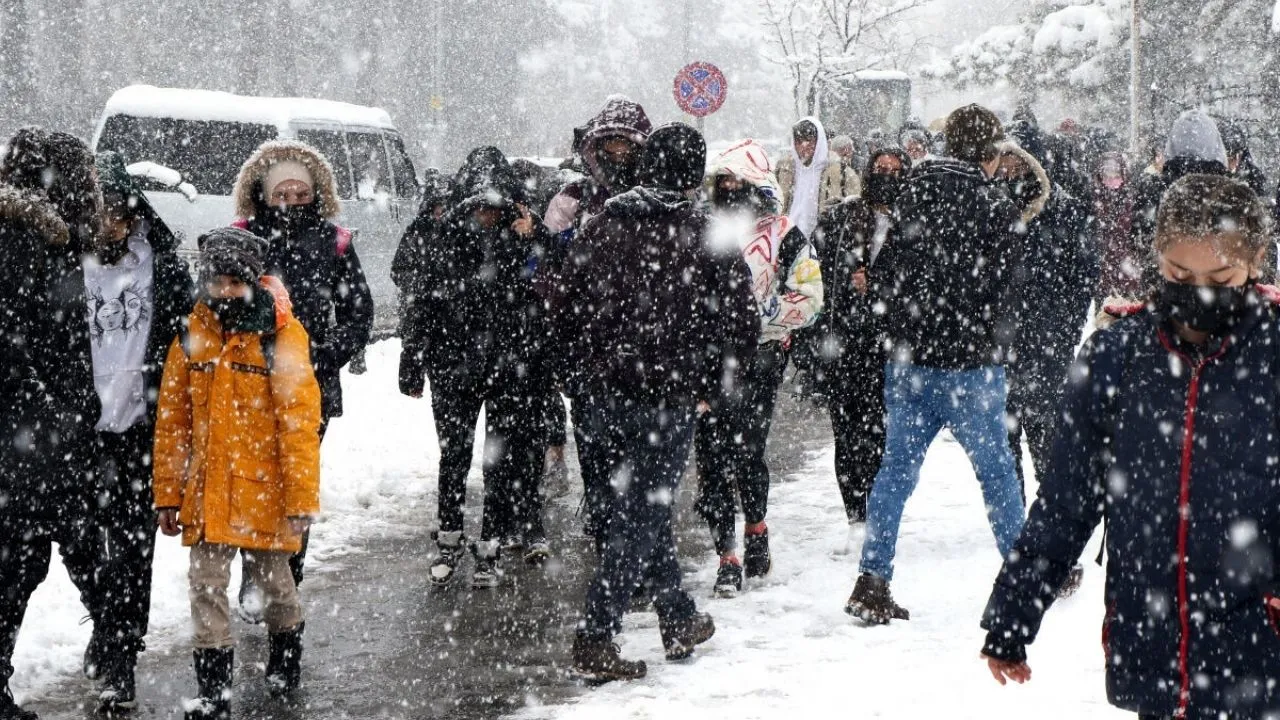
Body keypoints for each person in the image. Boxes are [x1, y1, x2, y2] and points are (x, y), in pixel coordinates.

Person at [980, 173, 1280, 720]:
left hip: (1258, 644)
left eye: (1221, 276)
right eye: (1179, 273)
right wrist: (1012, 614)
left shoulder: (1273, 357)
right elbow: (1067, 500)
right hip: (1153, 635)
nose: (1199, 290)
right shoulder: (1117, 357)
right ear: (1157, 256)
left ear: (1257, 262)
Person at [554, 123, 759, 682]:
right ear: (693, 174)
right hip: (665, 397)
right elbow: (742, 322)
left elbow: (560, 307)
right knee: (642, 515)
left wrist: (580, 375)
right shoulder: (704, 230)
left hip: (603, 396)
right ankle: (596, 635)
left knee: (644, 507)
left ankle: (677, 616)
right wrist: (714, 388)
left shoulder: (601, 226)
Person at [845, 104, 1025, 624]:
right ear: (989, 155)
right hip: (971, 366)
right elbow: (1009, 292)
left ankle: (873, 579)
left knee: (895, 472)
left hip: (910, 362)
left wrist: (905, 327)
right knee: (997, 475)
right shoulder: (995, 208)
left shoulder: (913, 195)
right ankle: (1023, 576)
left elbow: (885, 275)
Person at [153, 227, 320, 719]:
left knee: (277, 588)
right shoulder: (192, 333)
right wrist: (168, 493)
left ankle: (285, 659)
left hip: (264, 492)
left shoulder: (282, 335)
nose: (224, 291)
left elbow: (299, 425)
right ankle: (213, 692)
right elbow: (173, 421)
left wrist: (300, 500)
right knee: (205, 585)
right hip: (207, 492)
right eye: (216, 280)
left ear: (251, 279)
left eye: (234, 281)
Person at [72, 151, 196, 712]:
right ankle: (105, 617)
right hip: (76, 433)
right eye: (99, 216)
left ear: (134, 214)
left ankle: (122, 658)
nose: (109, 227)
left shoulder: (162, 265)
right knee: (77, 545)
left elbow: (185, 342)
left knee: (131, 549)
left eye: (118, 215)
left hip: (139, 433)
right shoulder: (63, 265)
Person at [230, 139, 373, 618]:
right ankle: (254, 569)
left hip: (309, 386)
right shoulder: (241, 238)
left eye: (300, 192)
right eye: (280, 193)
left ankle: (290, 570)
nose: (291, 201)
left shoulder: (335, 242)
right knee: (253, 478)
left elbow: (358, 312)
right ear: (263, 192)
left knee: (296, 480)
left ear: (316, 192)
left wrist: (323, 357)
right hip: (247, 382)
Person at [399, 147, 554, 586]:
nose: (487, 214)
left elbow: (554, 286)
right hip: (453, 365)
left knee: (498, 460)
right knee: (454, 455)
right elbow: (421, 303)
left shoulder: (523, 239)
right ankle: (449, 538)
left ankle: (490, 544)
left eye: (494, 206)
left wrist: (535, 236)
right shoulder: (443, 239)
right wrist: (413, 359)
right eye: (479, 205)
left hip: (509, 365)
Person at [0, 127, 102, 720]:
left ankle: (112, 653)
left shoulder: (46, 237)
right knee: (17, 565)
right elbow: (10, 341)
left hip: (39, 438)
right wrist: (52, 417)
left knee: (30, 561)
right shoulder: (21, 238)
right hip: (29, 442)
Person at [697, 140, 823, 597]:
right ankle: (725, 554)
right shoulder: (704, 230)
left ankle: (755, 527)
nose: (729, 188)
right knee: (710, 458)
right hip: (708, 362)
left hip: (761, 358)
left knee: (748, 450)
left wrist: (756, 319)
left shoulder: (786, 234)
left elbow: (809, 298)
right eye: (723, 180)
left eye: (738, 180)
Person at [541, 96, 653, 550]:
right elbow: (547, 268)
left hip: (645, 342)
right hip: (587, 341)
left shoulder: (660, 200)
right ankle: (603, 509)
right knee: (591, 434)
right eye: (609, 145)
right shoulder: (573, 200)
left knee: (638, 441)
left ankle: (630, 517)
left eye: (627, 146)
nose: (617, 155)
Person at [810, 147, 911, 536]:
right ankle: (856, 513)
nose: (887, 176)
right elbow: (817, 275)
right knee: (847, 432)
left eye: (895, 170)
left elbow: (924, 280)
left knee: (882, 434)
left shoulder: (913, 222)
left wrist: (882, 286)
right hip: (846, 341)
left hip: (891, 345)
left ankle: (879, 509)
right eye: (881, 169)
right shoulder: (841, 217)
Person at [776, 118, 859, 237]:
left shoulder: (842, 174)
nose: (804, 145)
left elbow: (854, 211)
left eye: (809, 140)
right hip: (787, 240)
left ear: (819, 141)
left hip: (824, 241)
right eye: (799, 141)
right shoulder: (785, 171)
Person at [1094, 151, 1141, 302]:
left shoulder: (1131, 197)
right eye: (1107, 173)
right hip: (1103, 266)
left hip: (1126, 267)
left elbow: (1133, 230)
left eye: (1116, 173)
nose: (1111, 178)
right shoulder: (1095, 198)